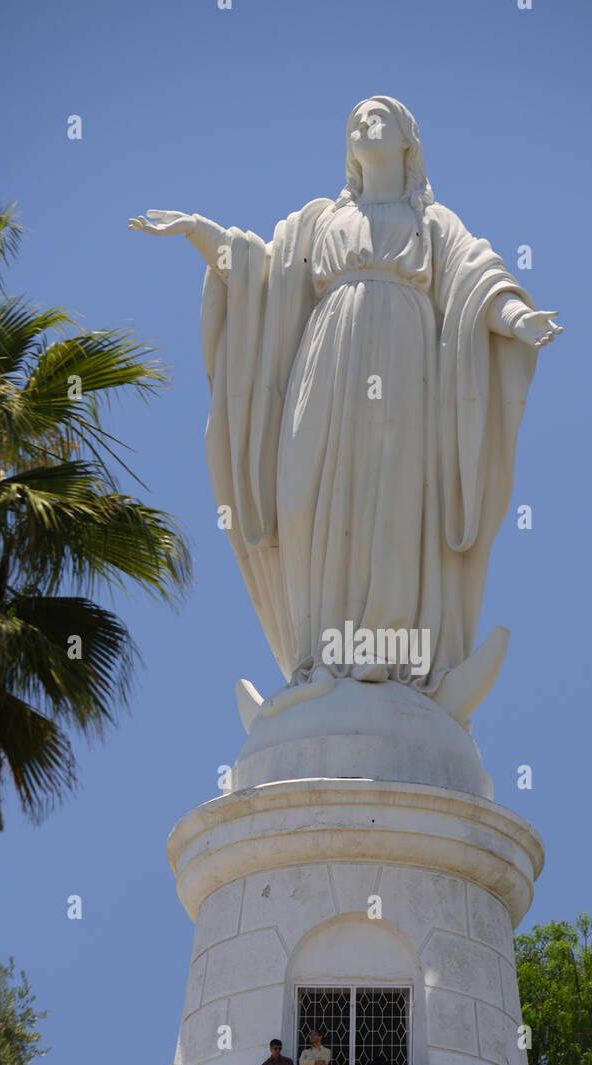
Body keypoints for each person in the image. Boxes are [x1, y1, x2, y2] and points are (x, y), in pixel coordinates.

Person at [129, 97, 560, 723]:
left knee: (393, 497)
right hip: (327, 355)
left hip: (407, 360)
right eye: (355, 118)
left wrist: (517, 317)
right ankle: (318, 658)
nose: (364, 122)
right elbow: (260, 276)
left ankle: (388, 656)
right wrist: (200, 231)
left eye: (379, 114)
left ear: (408, 140)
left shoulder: (433, 222)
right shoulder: (320, 222)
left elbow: (475, 282)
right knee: (300, 495)